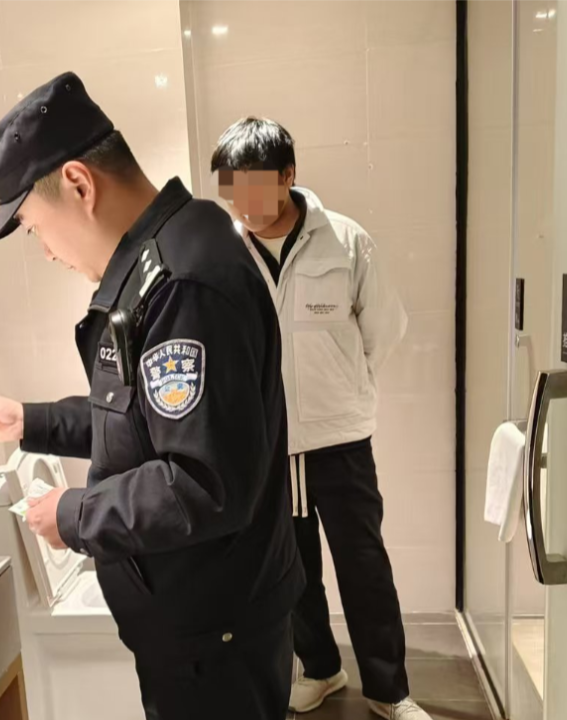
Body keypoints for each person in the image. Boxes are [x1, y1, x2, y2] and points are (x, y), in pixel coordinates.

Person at [0, 74, 304, 720]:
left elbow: (201, 483)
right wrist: (29, 421)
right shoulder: (169, 251)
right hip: (201, 623)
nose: (47, 252)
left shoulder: (181, 283)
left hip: (213, 640)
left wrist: (74, 515)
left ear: (79, 184)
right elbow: (140, 421)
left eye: (34, 228)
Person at [211, 117, 433, 720]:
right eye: (231, 189)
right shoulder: (225, 252)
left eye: (254, 186)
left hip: (340, 439)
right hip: (269, 445)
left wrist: (342, 384)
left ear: (288, 175)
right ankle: (321, 669)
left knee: (363, 567)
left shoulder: (345, 240)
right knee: (292, 570)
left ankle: (389, 690)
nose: (243, 205)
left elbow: (383, 329)